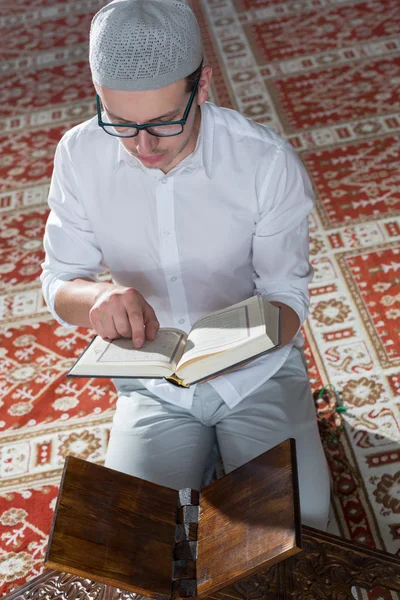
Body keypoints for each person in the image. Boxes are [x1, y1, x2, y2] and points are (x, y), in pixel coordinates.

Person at [41, 0, 330, 530]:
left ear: (203, 86)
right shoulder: (79, 154)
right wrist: (97, 300)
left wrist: (237, 347)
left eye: (163, 122)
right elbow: (59, 280)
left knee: (300, 525)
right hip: (153, 386)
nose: (143, 147)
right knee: (130, 540)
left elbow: (288, 295)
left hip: (258, 375)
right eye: (120, 123)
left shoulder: (264, 162)